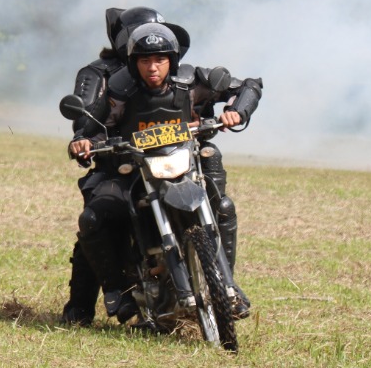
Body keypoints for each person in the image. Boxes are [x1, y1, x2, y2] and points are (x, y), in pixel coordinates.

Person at [69, 22, 262, 320]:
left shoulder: (191, 81)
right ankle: (116, 293)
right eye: (145, 60)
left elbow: (248, 85)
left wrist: (238, 111)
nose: (153, 67)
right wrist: (83, 142)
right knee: (94, 217)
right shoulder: (119, 92)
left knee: (222, 206)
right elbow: (92, 125)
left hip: (184, 164)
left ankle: (228, 286)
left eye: (160, 59)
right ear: (133, 62)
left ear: (172, 60)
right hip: (136, 170)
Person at [60, 6, 187, 326]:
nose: (151, 56)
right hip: (116, 164)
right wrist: (86, 139)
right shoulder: (97, 73)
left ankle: (219, 285)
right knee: (97, 220)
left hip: (168, 159)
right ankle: (83, 306)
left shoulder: (168, 68)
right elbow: (84, 118)